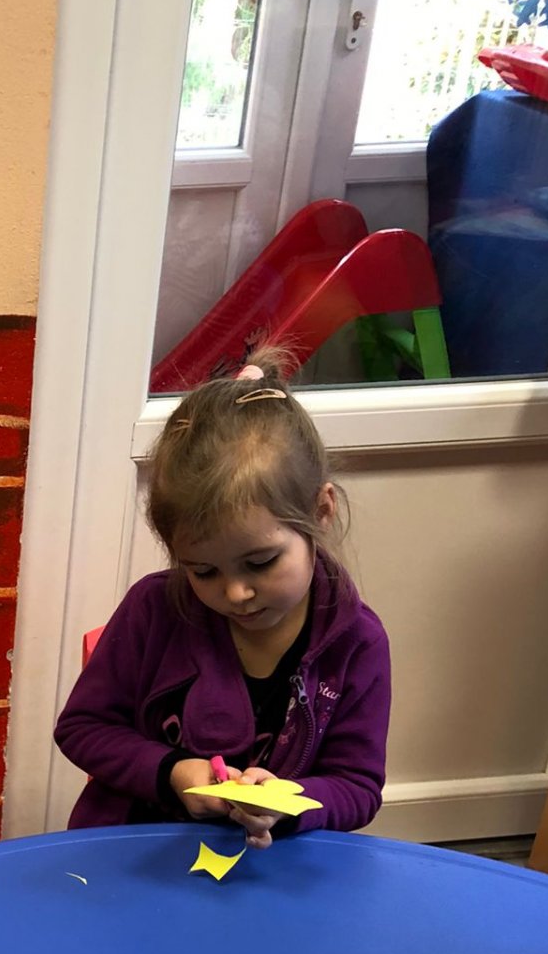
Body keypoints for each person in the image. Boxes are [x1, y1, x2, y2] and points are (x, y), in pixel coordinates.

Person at [54, 359, 390, 845]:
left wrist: (289, 801)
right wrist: (172, 771)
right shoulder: (153, 609)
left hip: (269, 863)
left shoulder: (356, 642)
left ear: (321, 511)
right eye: (203, 571)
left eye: (260, 562)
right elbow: (83, 728)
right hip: (138, 849)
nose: (235, 594)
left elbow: (357, 787)